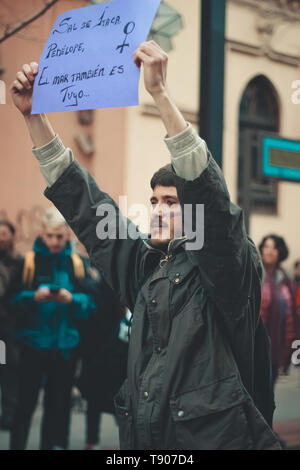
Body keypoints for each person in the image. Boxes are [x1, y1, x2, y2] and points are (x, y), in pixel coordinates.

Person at [10, 41, 281, 450]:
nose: (157, 209)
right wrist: (34, 118)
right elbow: (86, 207)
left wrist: (159, 93)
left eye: (171, 202)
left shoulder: (227, 267)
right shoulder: (147, 265)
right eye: (153, 201)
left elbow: (208, 200)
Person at [7, 208, 96, 450]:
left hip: (65, 347)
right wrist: (32, 297)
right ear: (42, 235)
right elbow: (9, 303)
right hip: (32, 345)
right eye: (50, 236)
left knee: (59, 407)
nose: (55, 242)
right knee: (24, 405)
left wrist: (73, 299)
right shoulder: (28, 263)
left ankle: (55, 445)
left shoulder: (77, 264)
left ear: (67, 235)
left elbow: (91, 304)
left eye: (59, 236)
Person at [259, 235, 296, 388]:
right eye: (266, 247)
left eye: (273, 248)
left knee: (269, 395)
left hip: (276, 349)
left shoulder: (284, 279)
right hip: (257, 348)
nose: (269, 251)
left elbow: (292, 316)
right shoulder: (255, 273)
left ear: (280, 252)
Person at [0, 221, 22, 431]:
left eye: (4, 233)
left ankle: (8, 414)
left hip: (7, 329)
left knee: (7, 370)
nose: (0, 238)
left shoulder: (21, 262)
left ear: (13, 236)